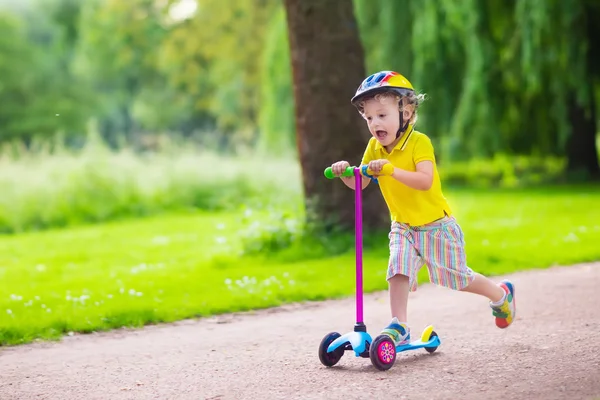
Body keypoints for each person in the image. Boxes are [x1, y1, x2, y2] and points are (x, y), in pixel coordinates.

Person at [329, 71, 516, 346]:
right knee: (398, 269)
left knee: (458, 278)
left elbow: (425, 181)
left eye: (382, 115)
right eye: (369, 118)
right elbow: (361, 184)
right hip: (403, 225)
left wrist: (392, 171)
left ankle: (500, 295)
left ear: (407, 111)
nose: (374, 123)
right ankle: (400, 326)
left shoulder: (420, 143)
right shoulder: (374, 147)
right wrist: (346, 172)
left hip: (436, 226)